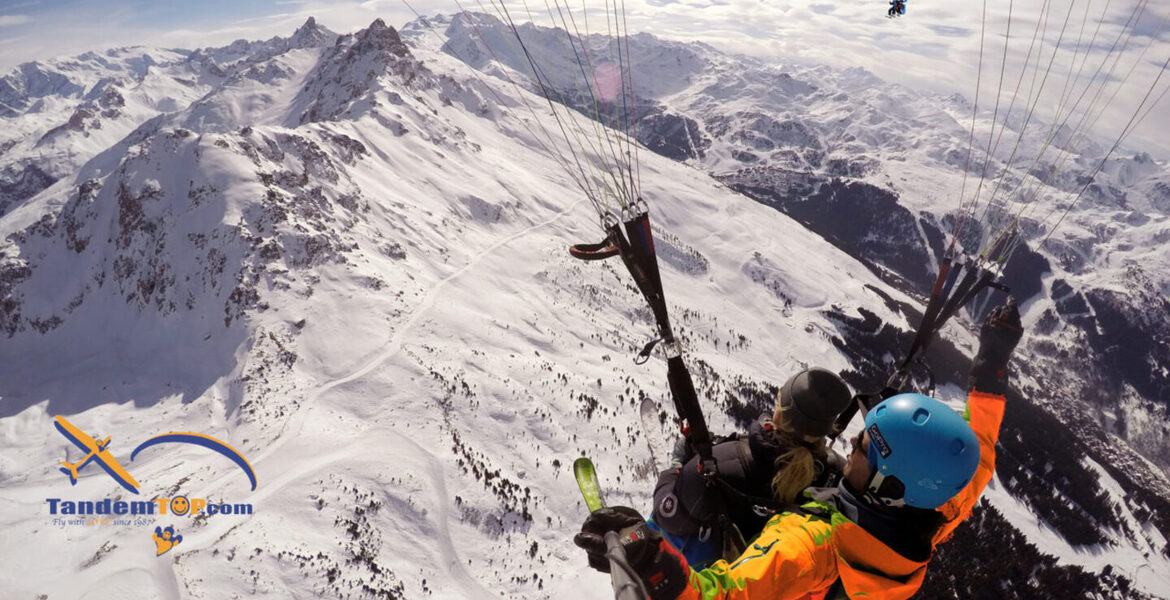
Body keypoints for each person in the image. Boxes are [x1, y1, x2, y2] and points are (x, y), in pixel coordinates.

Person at [575, 299, 1023, 600]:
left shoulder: (813, 547)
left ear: (889, 484)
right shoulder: (931, 509)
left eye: (865, 449)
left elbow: (728, 593)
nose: (851, 442)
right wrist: (991, 370)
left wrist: (654, 559)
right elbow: (975, 453)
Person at [648, 367, 853, 569]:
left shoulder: (723, 465)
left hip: (719, 581)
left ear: (780, 413)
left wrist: (675, 470)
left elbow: (668, 517)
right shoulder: (837, 475)